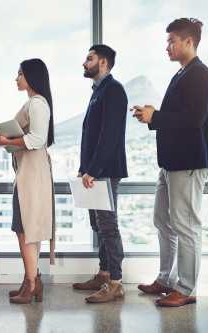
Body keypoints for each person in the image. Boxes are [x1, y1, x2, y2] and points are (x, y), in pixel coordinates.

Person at [131, 18, 208, 307]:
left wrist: (155, 116)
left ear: (188, 42)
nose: (167, 47)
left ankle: (186, 288)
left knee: (186, 225)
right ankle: (167, 279)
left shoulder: (200, 74)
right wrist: (153, 117)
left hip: (187, 163)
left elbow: (194, 120)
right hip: (171, 164)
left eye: (171, 41)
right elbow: (178, 117)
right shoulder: (182, 74)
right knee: (163, 220)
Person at [0, 58, 55, 304]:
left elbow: (37, 139)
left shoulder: (37, 104)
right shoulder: (33, 103)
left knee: (25, 228)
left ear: (31, 76)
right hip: (28, 171)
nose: (16, 78)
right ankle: (31, 279)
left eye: (20, 73)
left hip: (32, 174)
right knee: (26, 227)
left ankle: (32, 283)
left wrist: (8, 142)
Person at [71, 45, 128, 303]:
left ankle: (116, 282)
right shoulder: (99, 92)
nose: (84, 62)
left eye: (89, 58)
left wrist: (93, 169)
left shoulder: (114, 90)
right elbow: (92, 136)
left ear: (103, 62)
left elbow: (109, 135)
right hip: (94, 171)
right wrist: (85, 168)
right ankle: (104, 274)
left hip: (104, 171)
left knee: (107, 225)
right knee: (98, 224)